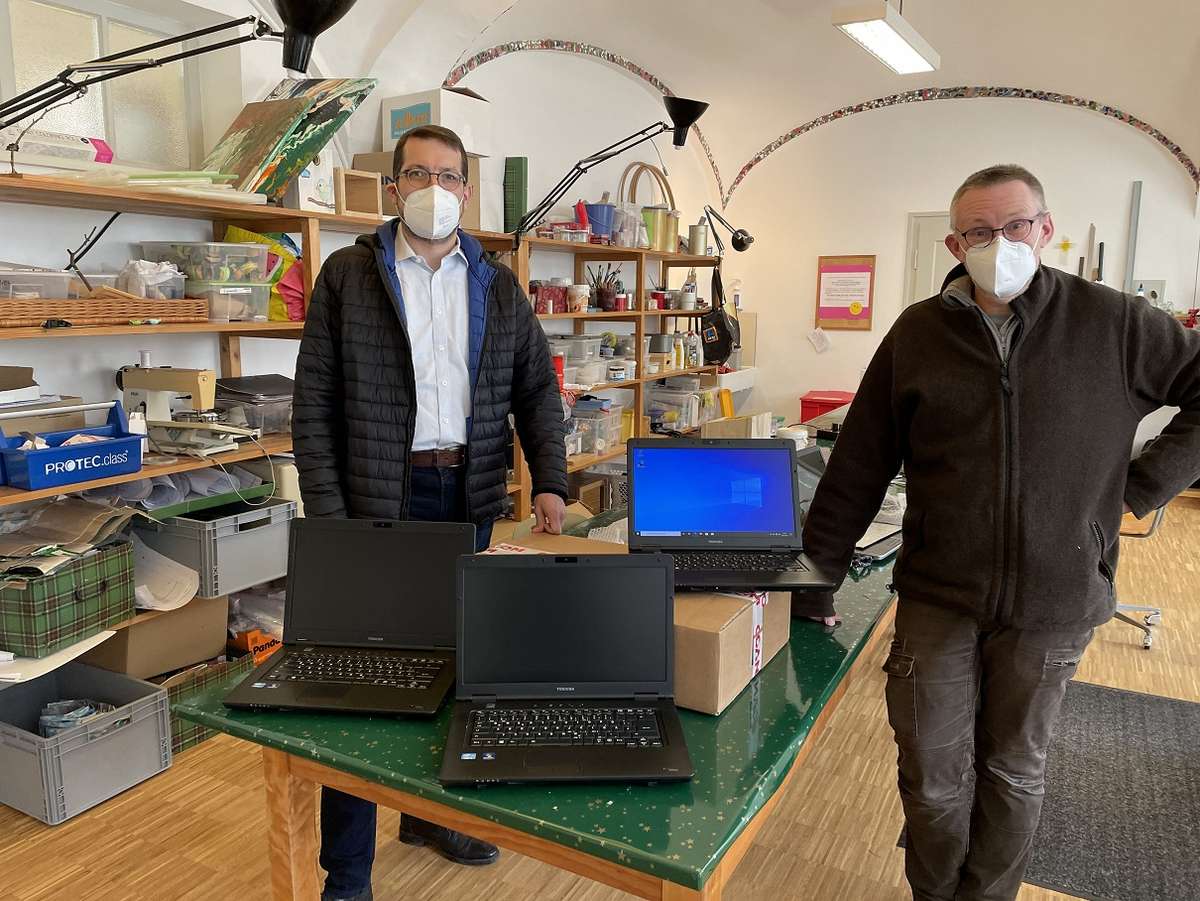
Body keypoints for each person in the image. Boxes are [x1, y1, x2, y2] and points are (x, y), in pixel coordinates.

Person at [797, 164, 1200, 900]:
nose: (1000, 242)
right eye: (980, 232)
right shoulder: (918, 333)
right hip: (939, 594)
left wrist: (1140, 486)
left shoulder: (1113, 323)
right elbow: (857, 462)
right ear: (954, 242)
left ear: (1046, 229)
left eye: (1016, 225)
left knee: (1015, 769)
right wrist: (815, 573)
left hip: (1056, 598)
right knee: (931, 773)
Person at [293, 124, 568, 901]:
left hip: (469, 495)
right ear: (393, 188)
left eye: (449, 176)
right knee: (361, 689)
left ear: (467, 190)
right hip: (379, 498)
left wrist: (548, 478)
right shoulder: (348, 275)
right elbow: (312, 403)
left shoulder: (497, 283)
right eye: (418, 173)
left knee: (460, 667)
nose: (434, 189)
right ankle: (346, 875)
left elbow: (537, 390)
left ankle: (429, 815)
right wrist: (331, 518)